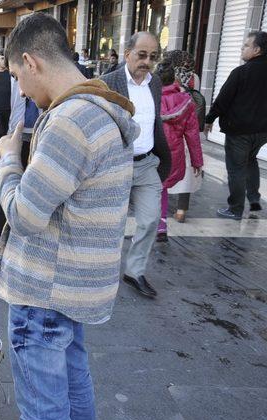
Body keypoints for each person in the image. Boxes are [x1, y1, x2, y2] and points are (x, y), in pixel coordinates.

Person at [0, 13, 138, 420]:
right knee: (74, 391)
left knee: (44, 411)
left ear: (31, 61)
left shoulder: (70, 121)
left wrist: (8, 160)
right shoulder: (102, 108)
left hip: (44, 289)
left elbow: (24, 215)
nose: (20, 88)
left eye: (18, 77)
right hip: (72, 286)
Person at [100, 31, 171, 298]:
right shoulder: (107, 82)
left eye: (153, 56)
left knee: (151, 219)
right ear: (127, 53)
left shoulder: (155, 83)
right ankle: (101, 272)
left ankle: (134, 271)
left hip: (146, 164)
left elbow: (154, 121)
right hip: (116, 165)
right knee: (110, 224)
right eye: (142, 55)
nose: (147, 61)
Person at [204, 31, 267, 220]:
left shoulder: (241, 72)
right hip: (262, 130)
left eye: (246, 45)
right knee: (251, 160)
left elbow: (223, 99)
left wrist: (209, 119)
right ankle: (254, 201)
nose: (242, 48)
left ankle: (235, 209)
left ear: (257, 49)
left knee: (237, 168)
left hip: (239, 130)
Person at [155, 60, 202, 242]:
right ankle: (161, 227)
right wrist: (197, 161)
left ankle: (147, 224)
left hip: (152, 152)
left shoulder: (151, 98)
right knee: (163, 189)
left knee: (146, 190)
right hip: (173, 155)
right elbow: (192, 135)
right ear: (174, 78)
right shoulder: (186, 102)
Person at [165, 50, 204, 222]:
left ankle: (160, 213)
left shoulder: (165, 75)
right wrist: (198, 160)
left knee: (163, 172)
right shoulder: (194, 77)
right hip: (188, 124)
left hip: (168, 131)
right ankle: (181, 210)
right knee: (188, 170)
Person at [8, 77, 42, 167]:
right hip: (21, 126)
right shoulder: (14, 78)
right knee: (23, 156)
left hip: (37, 125)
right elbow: (13, 101)